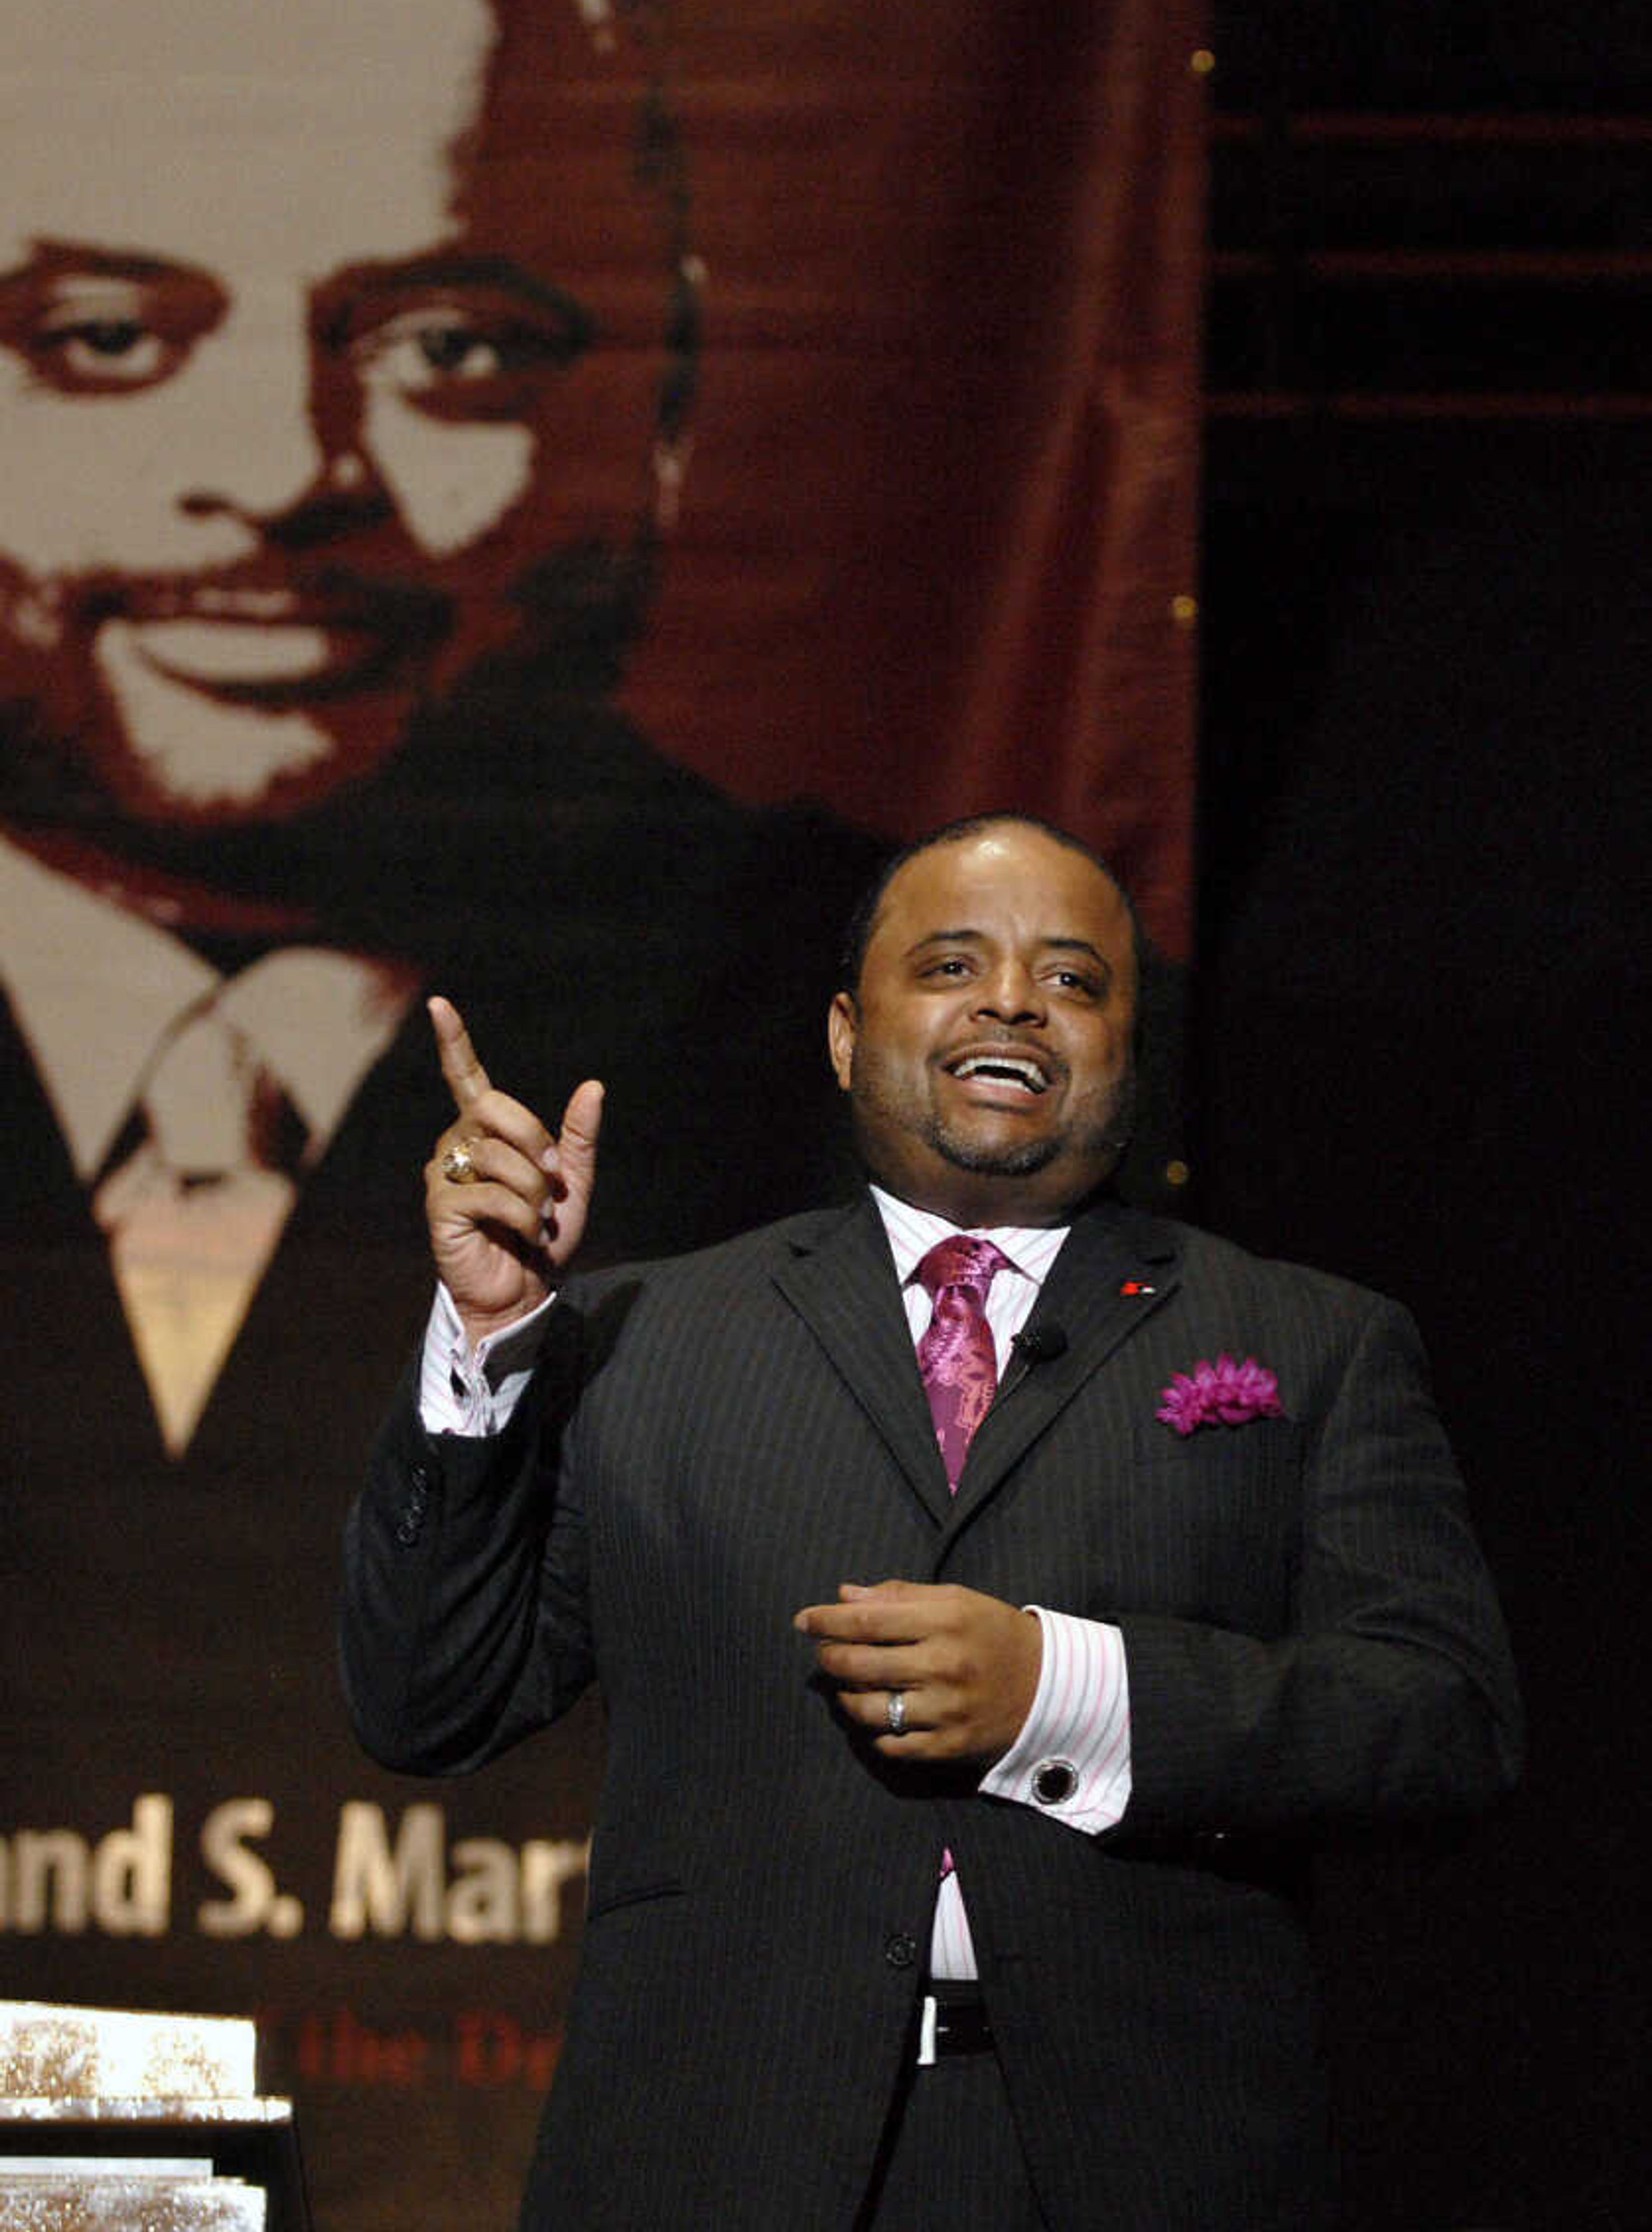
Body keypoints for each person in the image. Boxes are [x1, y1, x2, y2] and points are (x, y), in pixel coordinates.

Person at [341, 811, 1523, 2231]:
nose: (1016, 1000)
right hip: (708, 2153)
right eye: (953, 963)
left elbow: (1444, 1718)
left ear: (1129, 1050)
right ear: (848, 1034)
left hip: (1148, 2159)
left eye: (1076, 979)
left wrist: (1067, 1691)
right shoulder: (639, 1332)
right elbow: (424, 1702)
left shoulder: (1311, 1340)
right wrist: (487, 1343)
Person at [0, 0, 870, 1460]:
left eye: (449, 348)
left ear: (667, 400)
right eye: (103, 337)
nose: (281, 467)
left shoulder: (869, 1037)